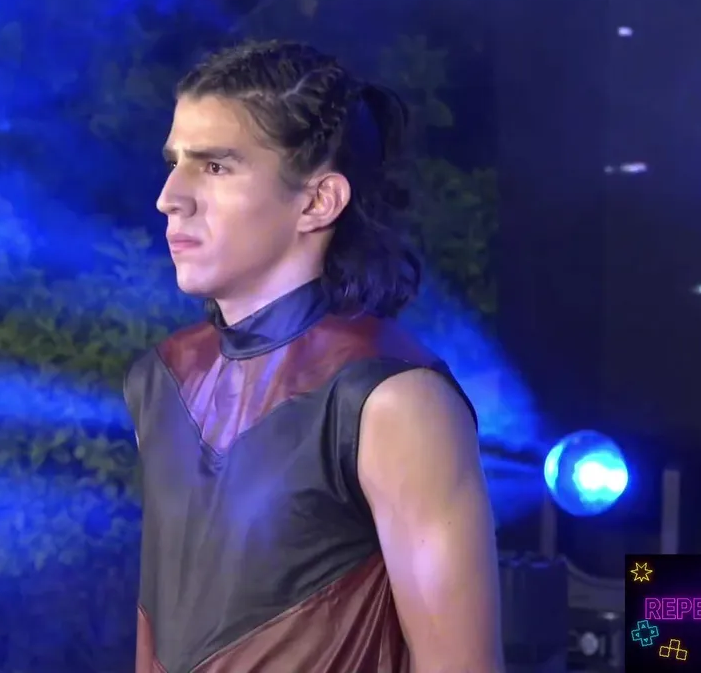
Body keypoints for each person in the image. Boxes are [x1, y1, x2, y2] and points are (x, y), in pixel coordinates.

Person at [122, 40, 505, 672]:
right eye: (175, 163)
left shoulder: (392, 401)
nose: (170, 196)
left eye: (214, 166)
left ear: (317, 201)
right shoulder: (161, 379)